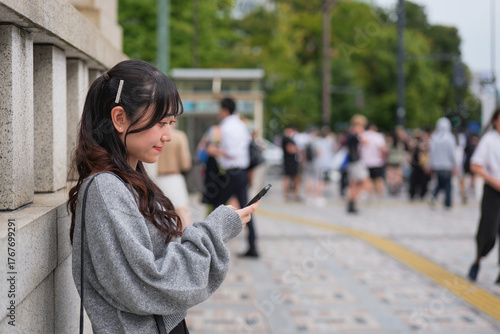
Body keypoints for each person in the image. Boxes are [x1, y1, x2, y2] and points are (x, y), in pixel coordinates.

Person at [67, 60, 260, 334]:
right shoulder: (105, 188)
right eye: (160, 123)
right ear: (120, 118)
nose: (168, 135)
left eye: (170, 122)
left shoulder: (130, 180)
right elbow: (149, 283)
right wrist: (215, 229)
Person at [207, 97, 259, 258]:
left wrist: (215, 151)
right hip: (242, 173)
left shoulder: (225, 127)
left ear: (224, 110)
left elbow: (231, 152)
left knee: (216, 206)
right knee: (246, 208)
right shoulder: (242, 125)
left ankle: (210, 246)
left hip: (230, 174)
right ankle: (252, 246)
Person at [467, 108, 500, 283]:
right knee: (489, 231)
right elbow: (475, 165)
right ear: (495, 120)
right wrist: (494, 180)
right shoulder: (489, 140)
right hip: (493, 192)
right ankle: (478, 260)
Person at [157, 123, 193, 228]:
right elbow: (185, 164)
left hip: (157, 179)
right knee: (183, 218)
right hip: (174, 179)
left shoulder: (156, 136)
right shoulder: (179, 136)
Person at [428, 117, 457, 209]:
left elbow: (431, 153)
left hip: (437, 165)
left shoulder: (434, 138)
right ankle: (447, 203)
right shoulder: (450, 138)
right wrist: (455, 165)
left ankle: (434, 197)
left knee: (440, 183)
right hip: (447, 165)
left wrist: (431, 164)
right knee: (447, 184)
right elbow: (453, 153)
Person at [346, 114, 370, 214]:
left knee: (353, 183)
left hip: (352, 161)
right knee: (365, 182)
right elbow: (366, 142)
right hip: (356, 162)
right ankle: (353, 200)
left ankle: (351, 203)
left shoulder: (350, 135)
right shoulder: (355, 135)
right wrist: (361, 133)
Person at [361, 122, 387, 198]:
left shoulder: (363, 135)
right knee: (378, 178)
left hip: (365, 161)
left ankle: (370, 194)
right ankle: (380, 194)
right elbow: (383, 149)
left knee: (368, 179)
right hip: (376, 161)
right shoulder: (378, 136)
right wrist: (382, 157)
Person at [282, 126, 301, 201]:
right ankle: (289, 193)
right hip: (290, 161)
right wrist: (297, 150)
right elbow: (291, 149)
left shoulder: (286, 139)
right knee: (290, 177)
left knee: (290, 177)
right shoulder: (287, 139)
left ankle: (288, 193)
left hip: (289, 161)